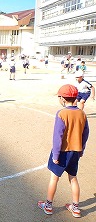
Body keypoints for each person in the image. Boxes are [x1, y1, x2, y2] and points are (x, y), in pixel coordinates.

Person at [38, 84, 89, 218]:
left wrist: (55, 155)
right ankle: (76, 207)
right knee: (73, 178)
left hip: (62, 151)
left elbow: (57, 136)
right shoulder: (82, 113)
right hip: (75, 151)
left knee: (54, 178)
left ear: (62, 98)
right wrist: (81, 149)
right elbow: (85, 134)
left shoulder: (61, 113)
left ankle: (48, 205)